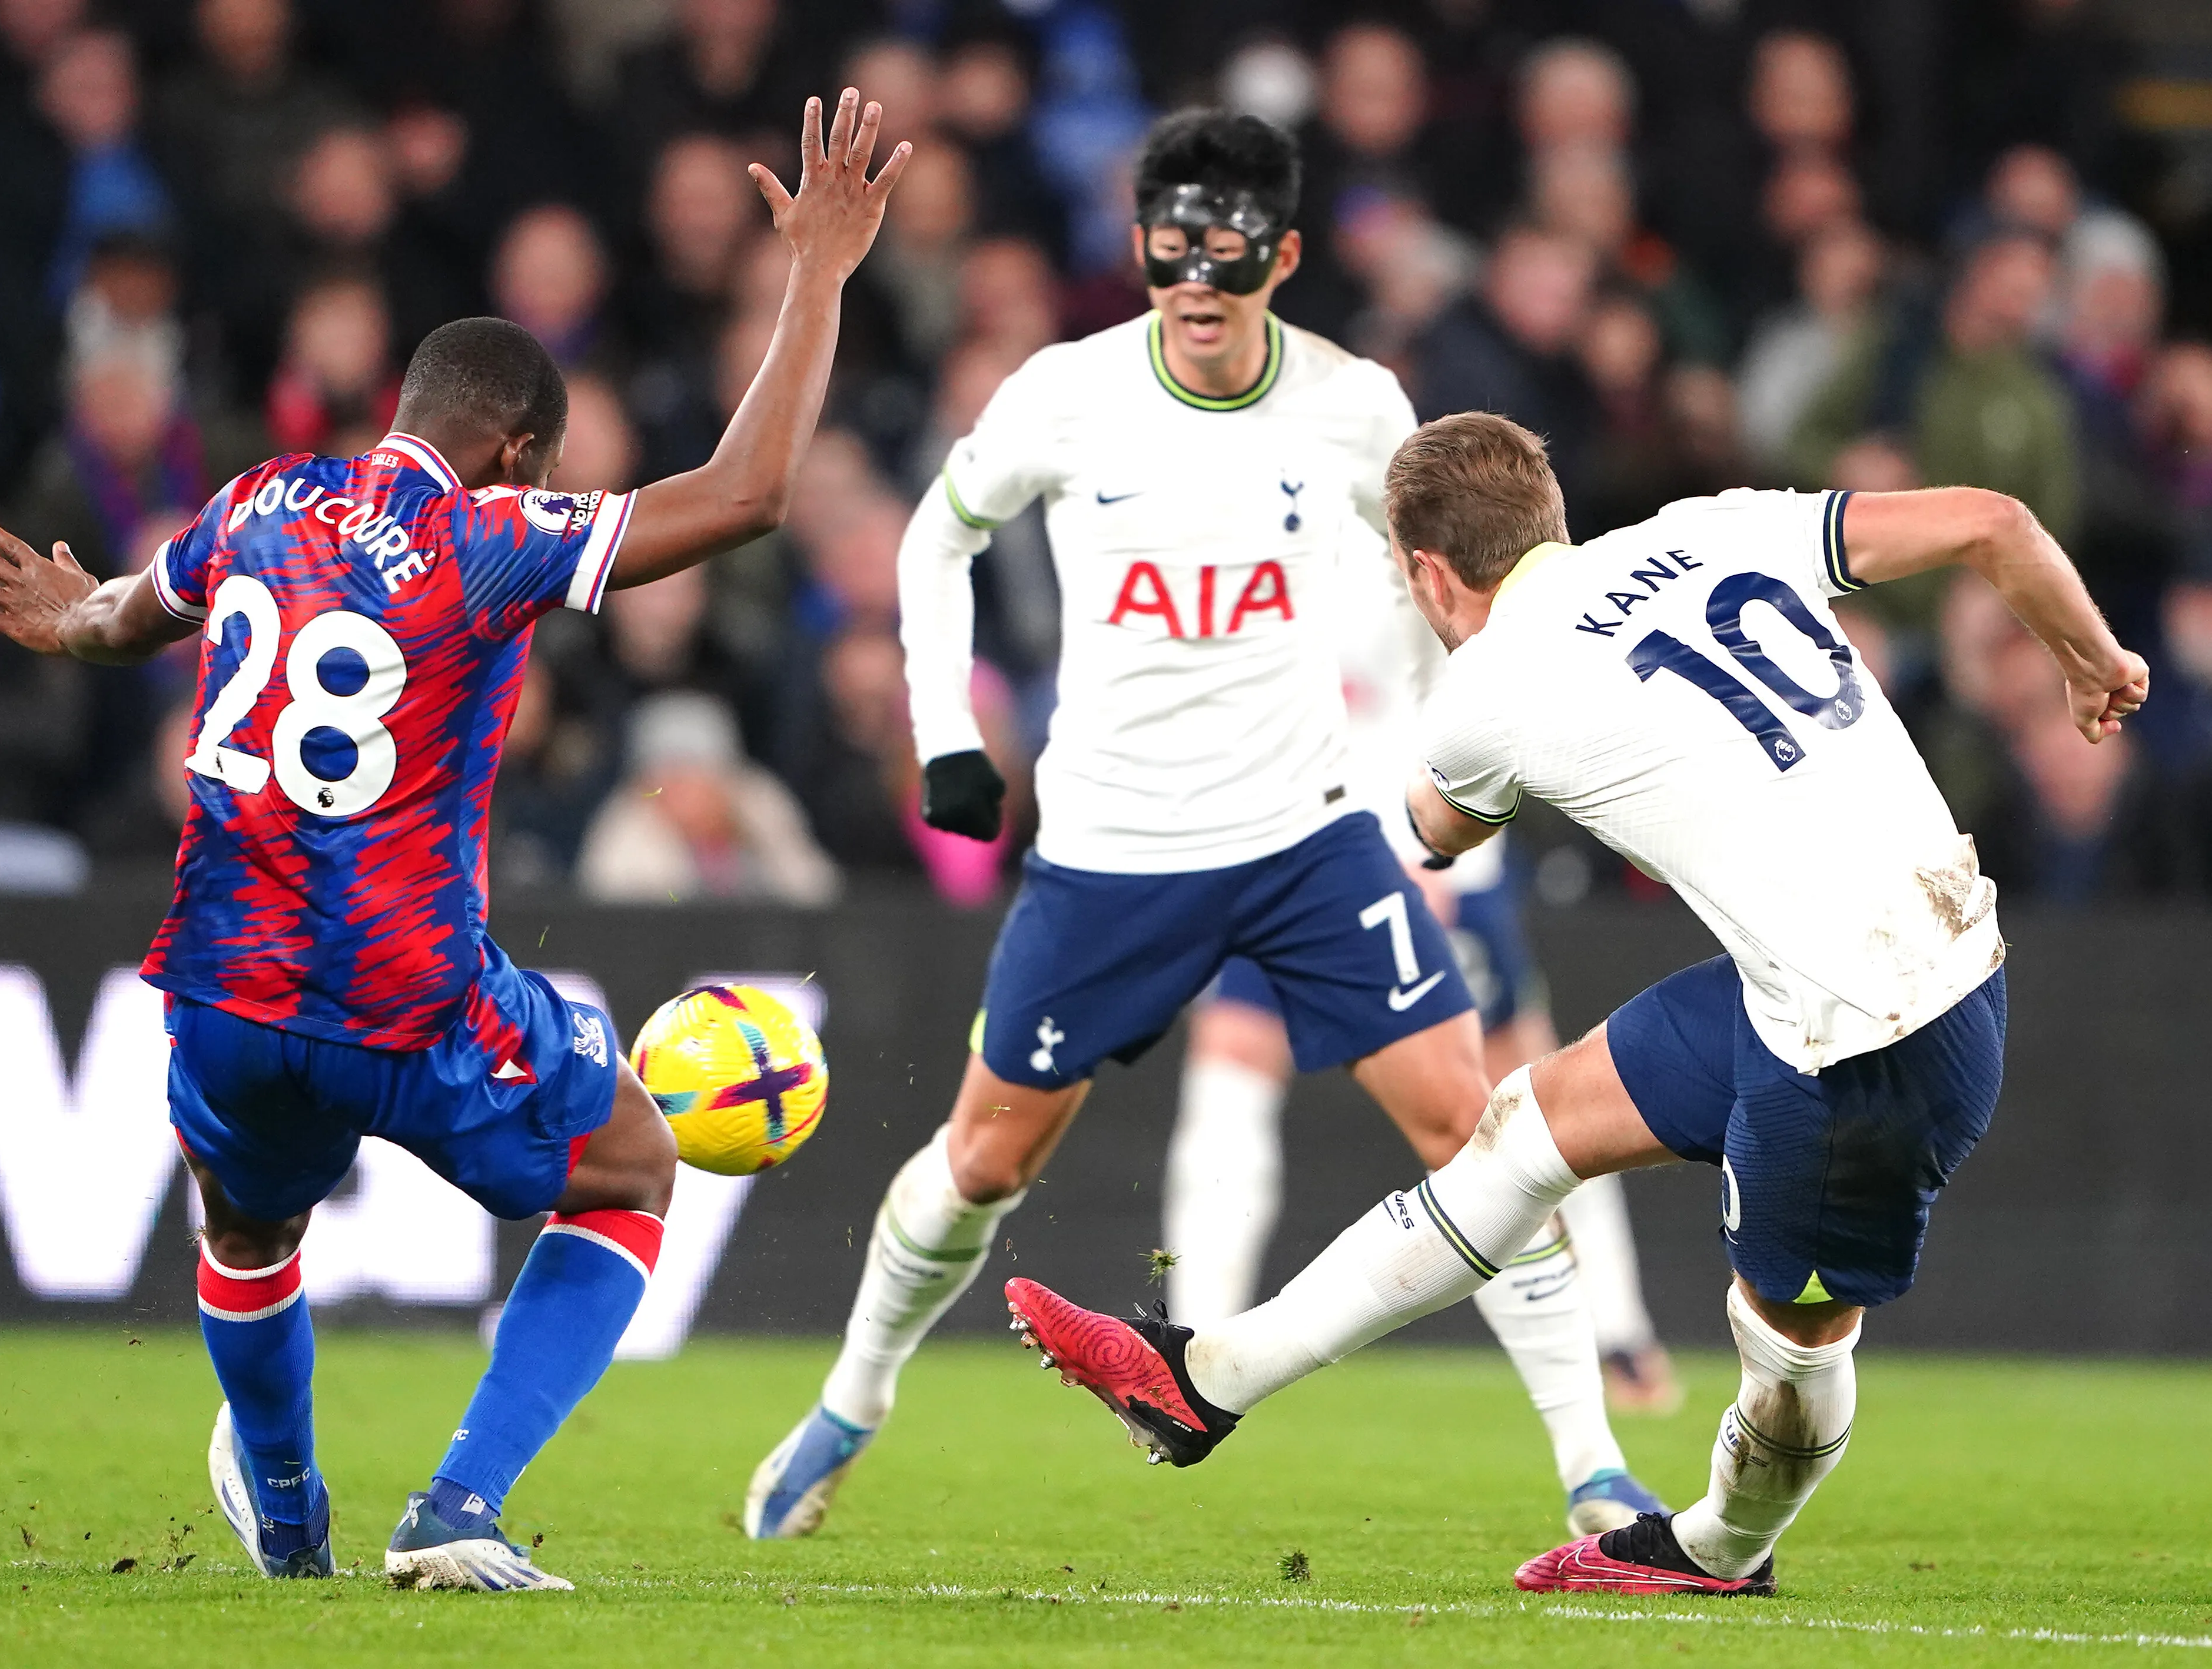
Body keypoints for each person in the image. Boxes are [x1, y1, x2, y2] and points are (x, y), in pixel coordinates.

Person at [0, 90, 909, 1591]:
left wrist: (66, 618)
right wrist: (820, 275)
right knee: (630, 1167)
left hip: (223, 989)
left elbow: (123, 618)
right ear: (514, 449)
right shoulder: (488, 538)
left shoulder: (258, 501)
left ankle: (287, 1510)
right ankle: (457, 1504)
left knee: (248, 1231)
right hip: (401, 988)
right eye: (540, 466)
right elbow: (749, 494)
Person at [1006, 412, 2148, 1595]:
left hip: (1864, 1050)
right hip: (1878, 970)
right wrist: (2092, 660)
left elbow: (1440, 831)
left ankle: (1721, 1550)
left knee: (1795, 1343)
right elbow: (1995, 521)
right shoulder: (1716, 528)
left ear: (1429, 574)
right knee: (1523, 1128)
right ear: (1548, 516)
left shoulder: (1489, 691)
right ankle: (1202, 1379)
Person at [743, 111, 1660, 1544]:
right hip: (1110, 854)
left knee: (1480, 1130)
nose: (1196, 277)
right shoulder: (1066, 394)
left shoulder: (1358, 407)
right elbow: (939, 533)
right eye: (1172, 244)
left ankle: (1594, 1469)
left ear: (1282, 258)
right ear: (1139, 247)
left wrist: (1452, 773)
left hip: (1307, 841)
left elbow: (1457, 588)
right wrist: (945, 730)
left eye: (1227, 248)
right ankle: (850, 1402)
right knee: (985, 1162)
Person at [1161, 522, 1684, 1413]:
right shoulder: (1264, 524)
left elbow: (1471, 677)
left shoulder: (1407, 530)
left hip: (1423, 857)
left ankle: (1616, 1335)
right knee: (1232, 1060)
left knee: (1525, 1095)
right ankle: (1189, 1342)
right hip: (1294, 848)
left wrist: (1429, 852)